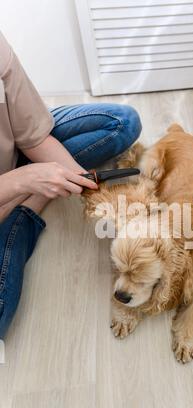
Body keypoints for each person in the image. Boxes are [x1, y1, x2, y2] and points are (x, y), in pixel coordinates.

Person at [0, 31, 142, 338]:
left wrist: (93, 191)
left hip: (15, 157)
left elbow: (32, 136)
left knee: (123, 123)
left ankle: (28, 194)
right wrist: (24, 182)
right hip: (11, 182)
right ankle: (25, 208)